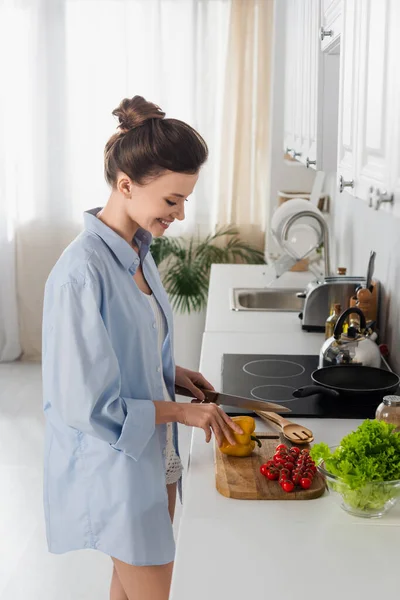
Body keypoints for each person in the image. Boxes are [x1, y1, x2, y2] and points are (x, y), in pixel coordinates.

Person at [42, 95, 242, 600]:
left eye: (185, 200)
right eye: (171, 200)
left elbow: (127, 342)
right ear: (126, 185)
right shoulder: (80, 274)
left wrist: (171, 371)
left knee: (128, 591)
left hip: (152, 458)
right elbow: (86, 404)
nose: (179, 213)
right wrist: (179, 412)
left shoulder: (137, 250)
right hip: (112, 465)